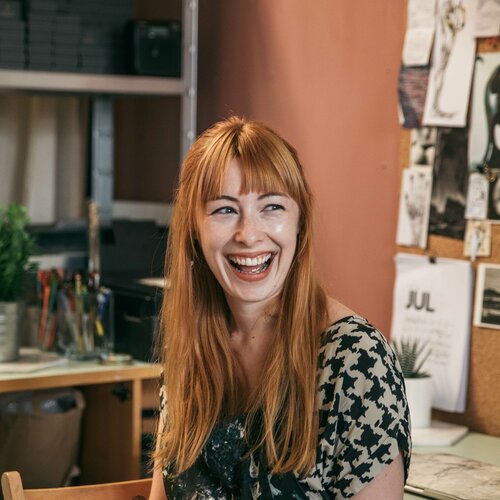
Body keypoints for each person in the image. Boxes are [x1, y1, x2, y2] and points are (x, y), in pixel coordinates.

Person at [149, 116, 411, 499]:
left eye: (271, 207)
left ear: (299, 222)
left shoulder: (356, 360)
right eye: (224, 210)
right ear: (193, 228)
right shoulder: (190, 349)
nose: (248, 234)